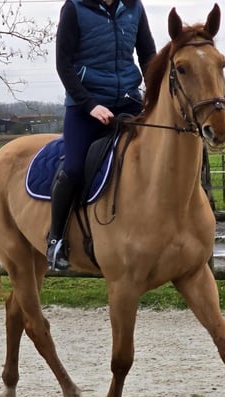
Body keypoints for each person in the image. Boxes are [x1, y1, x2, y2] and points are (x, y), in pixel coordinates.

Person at [47, 0, 156, 270]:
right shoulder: (74, 8)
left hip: (129, 101)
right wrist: (90, 104)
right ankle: (56, 239)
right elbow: (64, 65)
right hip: (86, 106)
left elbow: (148, 56)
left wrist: (153, 95)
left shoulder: (135, 7)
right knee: (72, 169)